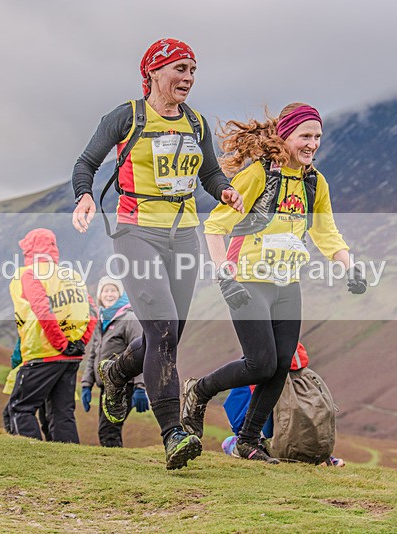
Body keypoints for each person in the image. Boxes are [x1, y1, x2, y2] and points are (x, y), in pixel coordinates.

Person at [71, 38, 243, 469]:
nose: (187, 78)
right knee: (163, 328)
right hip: (135, 232)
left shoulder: (196, 123)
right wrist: (84, 197)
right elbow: (86, 163)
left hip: (183, 236)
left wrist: (223, 189)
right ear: (152, 73)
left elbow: (209, 171)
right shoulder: (126, 116)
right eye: (179, 69)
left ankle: (115, 373)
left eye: (192, 71)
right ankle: (173, 433)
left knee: (164, 335)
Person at [180, 103, 366, 463]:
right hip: (247, 279)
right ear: (286, 136)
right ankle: (199, 390)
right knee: (260, 363)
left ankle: (249, 439)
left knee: (281, 363)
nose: (312, 144)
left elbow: (326, 232)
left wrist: (350, 266)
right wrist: (224, 275)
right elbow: (215, 226)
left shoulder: (315, 182)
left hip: (286, 283)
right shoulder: (258, 176)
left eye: (317, 137)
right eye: (305, 136)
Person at [6, 228, 97, 443]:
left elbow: (42, 310)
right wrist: (79, 343)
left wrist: (61, 343)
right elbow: (92, 311)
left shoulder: (30, 274)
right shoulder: (72, 275)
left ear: (30, 249)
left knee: (20, 408)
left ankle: (32, 462)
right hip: (71, 356)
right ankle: (69, 466)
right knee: (62, 412)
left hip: (43, 353)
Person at [81, 276, 148, 447]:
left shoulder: (129, 318)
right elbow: (93, 355)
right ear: (100, 295)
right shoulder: (102, 319)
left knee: (108, 430)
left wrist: (140, 387)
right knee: (108, 429)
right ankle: (115, 463)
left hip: (124, 384)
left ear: (120, 294)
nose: (109, 294)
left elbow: (141, 352)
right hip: (106, 385)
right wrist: (86, 384)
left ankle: (113, 465)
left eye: (113, 290)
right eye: (105, 290)